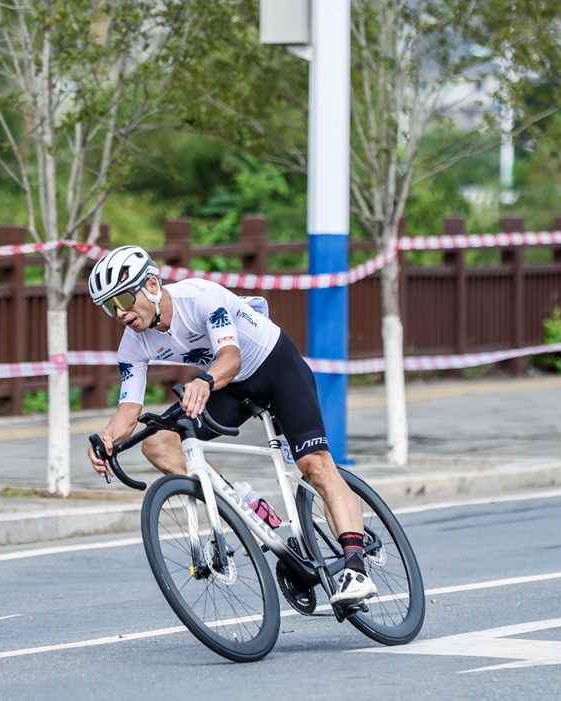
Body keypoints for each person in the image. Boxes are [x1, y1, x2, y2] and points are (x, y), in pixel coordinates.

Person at [84, 245, 378, 606]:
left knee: (315, 466)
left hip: (274, 367)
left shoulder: (200, 297)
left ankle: (356, 569)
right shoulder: (133, 343)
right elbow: (130, 407)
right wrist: (108, 438)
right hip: (230, 386)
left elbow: (231, 358)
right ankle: (240, 500)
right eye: (108, 306)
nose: (119, 312)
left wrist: (204, 382)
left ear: (151, 285)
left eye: (125, 298)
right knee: (158, 443)